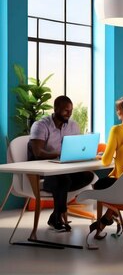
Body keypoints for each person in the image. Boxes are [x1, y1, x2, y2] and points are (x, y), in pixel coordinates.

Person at [29, 95, 94, 231]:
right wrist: (59, 155)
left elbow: (76, 147)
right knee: (64, 181)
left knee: (87, 176)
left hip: (64, 168)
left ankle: (55, 215)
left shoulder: (73, 125)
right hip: (44, 171)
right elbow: (38, 153)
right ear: (56, 109)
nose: (69, 114)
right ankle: (59, 214)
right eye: (66, 111)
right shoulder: (41, 125)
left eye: (70, 111)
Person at [89, 96, 123, 238]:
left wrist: (101, 156)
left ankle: (106, 220)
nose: (117, 113)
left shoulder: (117, 130)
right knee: (112, 185)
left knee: (99, 185)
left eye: (118, 110)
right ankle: (108, 219)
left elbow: (106, 162)